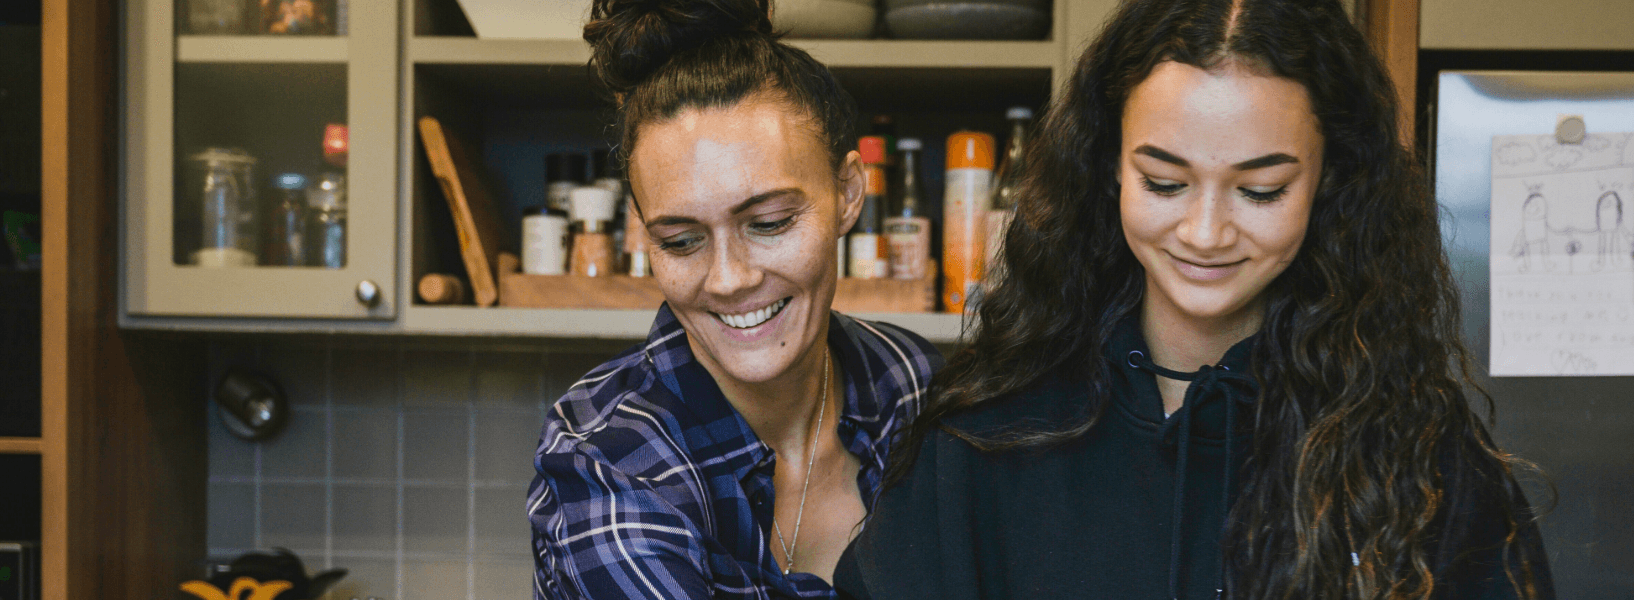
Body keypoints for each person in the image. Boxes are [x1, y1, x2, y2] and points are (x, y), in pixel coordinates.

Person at [834, 0, 1554, 598]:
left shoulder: (1413, 450)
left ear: (1330, 182)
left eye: (1260, 190)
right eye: (1165, 183)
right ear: (1110, 166)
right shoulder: (985, 439)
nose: (1205, 233)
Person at [528, 1, 941, 597]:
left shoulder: (912, 384)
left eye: (769, 222)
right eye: (681, 240)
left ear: (849, 193)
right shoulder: (608, 460)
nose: (728, 279)